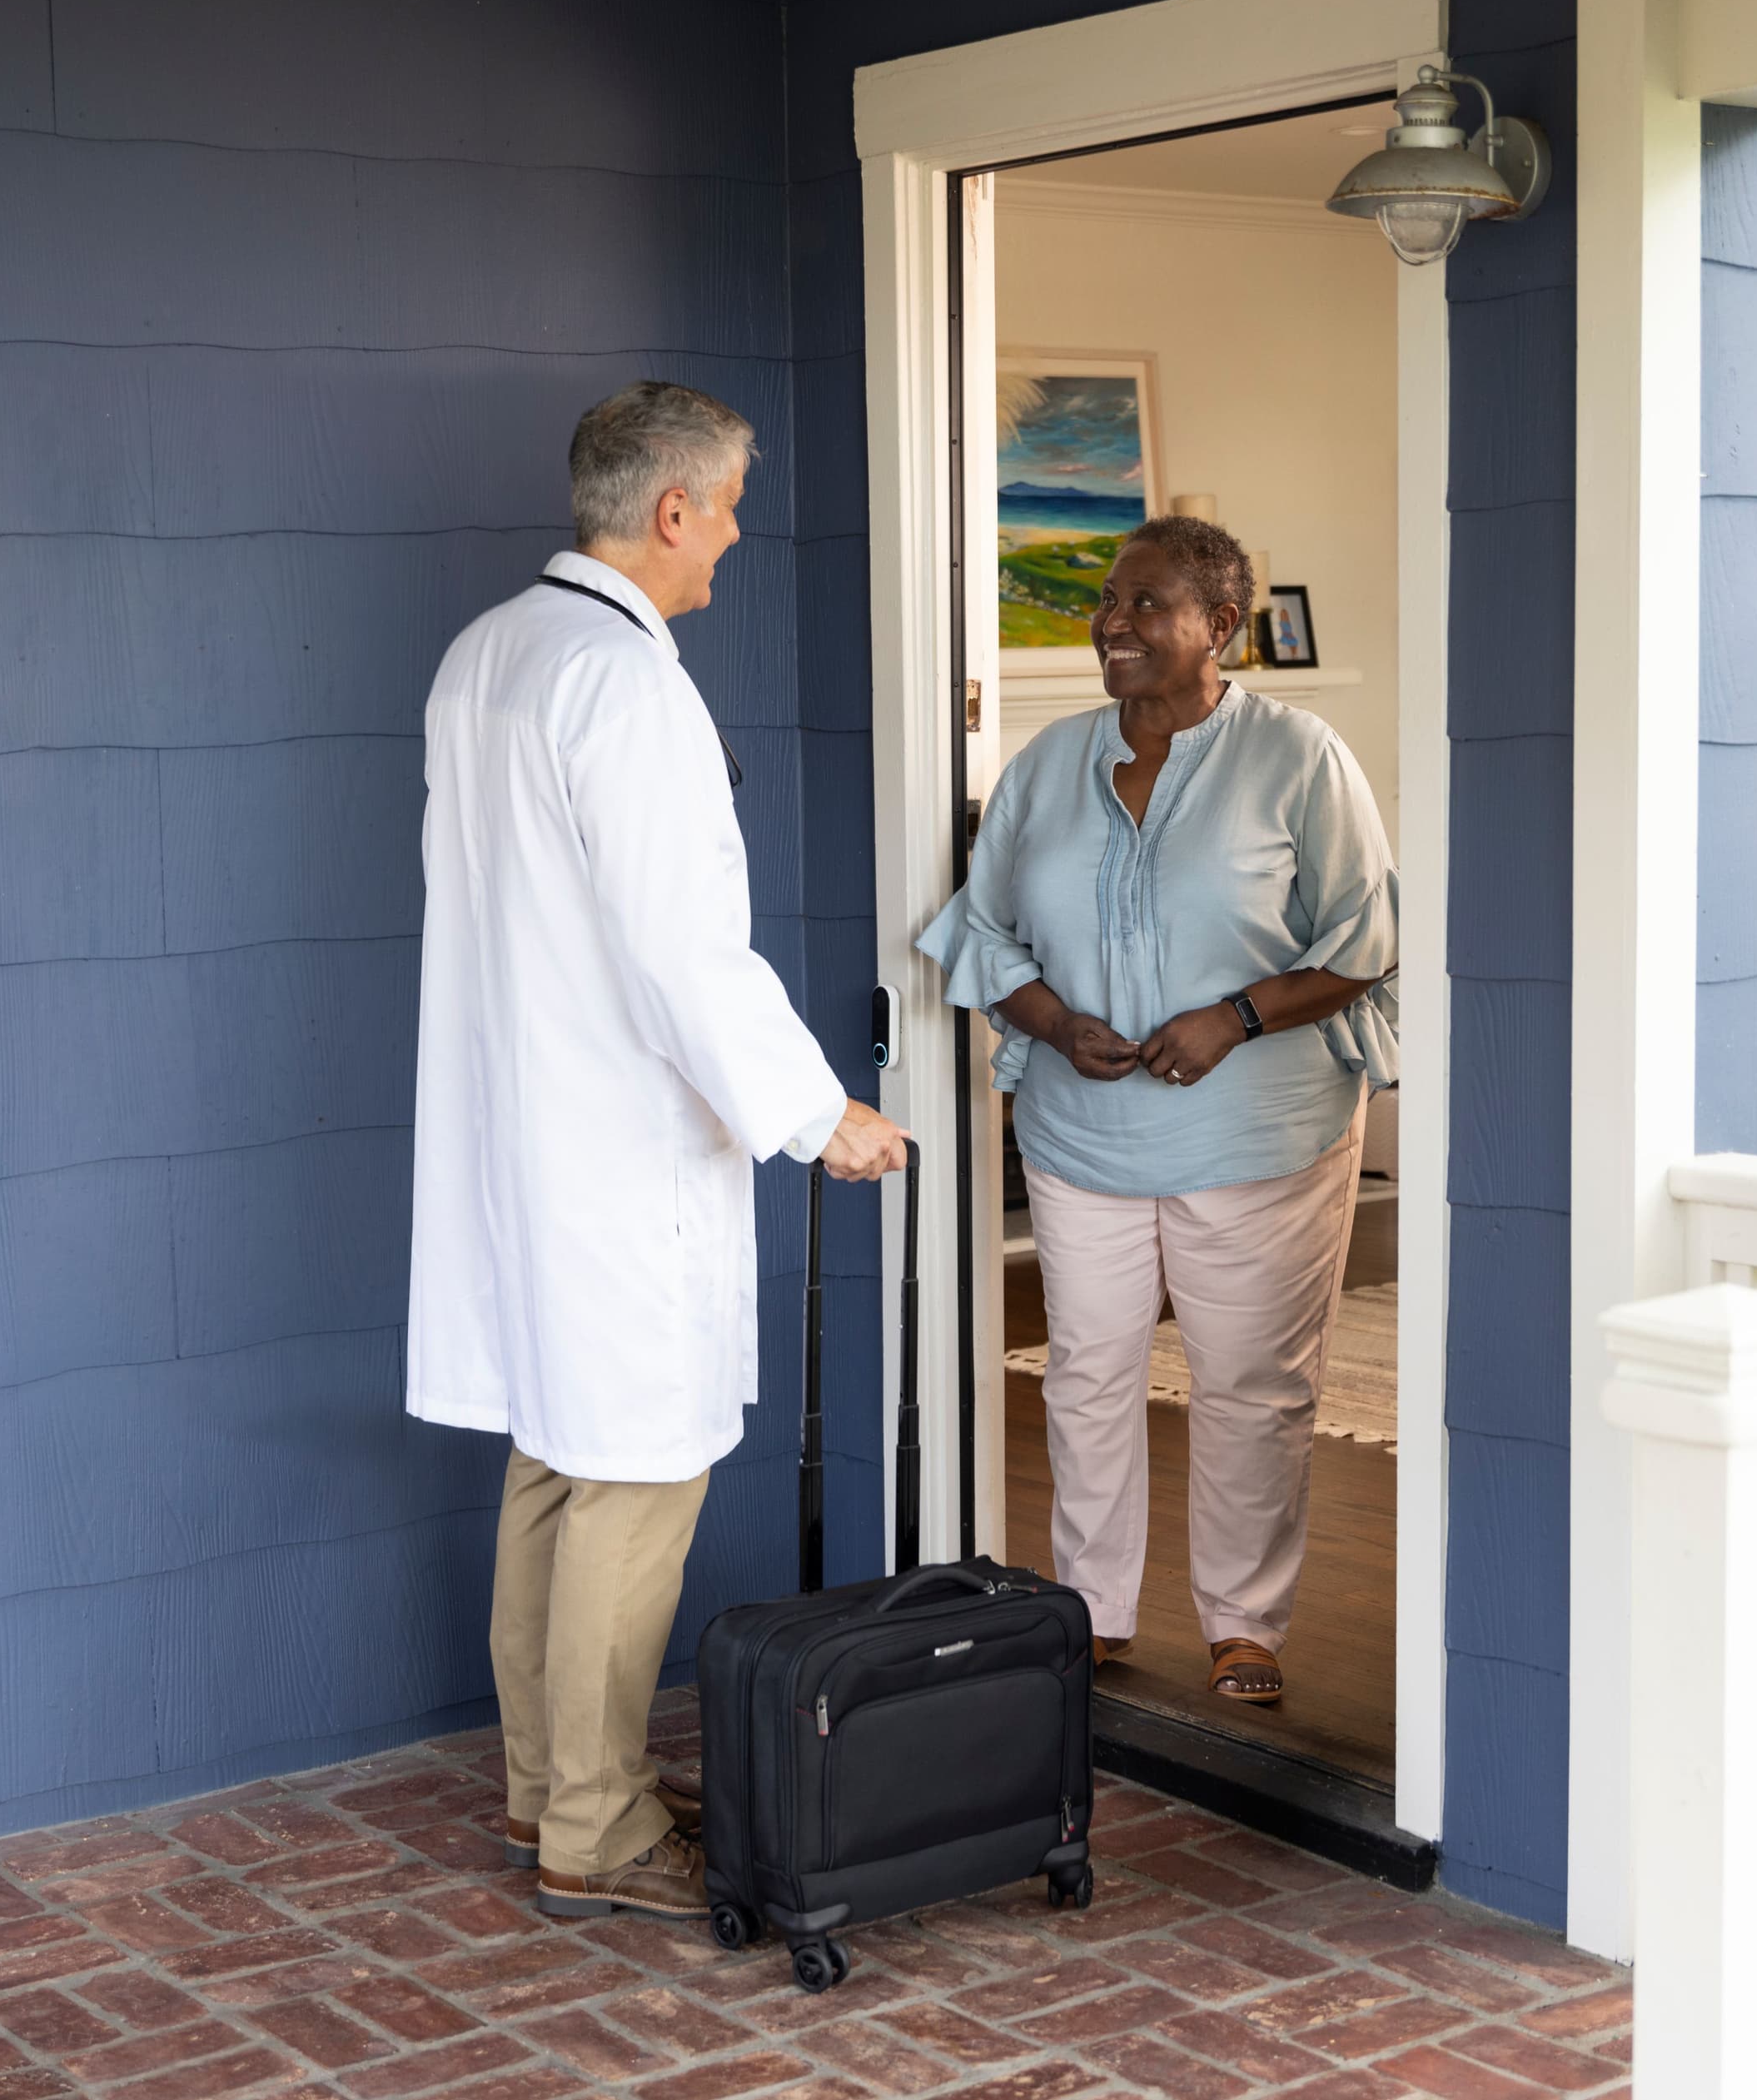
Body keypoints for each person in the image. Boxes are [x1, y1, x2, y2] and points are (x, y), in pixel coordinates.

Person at [408, 381, 908, 1922]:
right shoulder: (626, 688)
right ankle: (601, 1828)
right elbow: (682, 954)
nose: (738, 536)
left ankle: (543, 1789)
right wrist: (821, 1113)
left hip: (523, 1131)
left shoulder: (487, 655)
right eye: (732, 507)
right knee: (634, 1473)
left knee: (555, 1461)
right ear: (671, 510)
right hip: (615, 1147)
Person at [918, 516, 1395, 1705]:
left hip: (1260, 1135)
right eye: (1110, 602)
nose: (1113, 624)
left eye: (1147, 605)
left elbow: (1366, 943)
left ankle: (1244, 1621)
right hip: (1083, 1132)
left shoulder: (1299, 755)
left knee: (1249, 1380)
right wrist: (1049, 1021)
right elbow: (983, 931)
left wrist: (1233, 1016)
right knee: (1085, 1368)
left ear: (1221, 627)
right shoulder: (1046, 763)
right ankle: (1092, 1611)